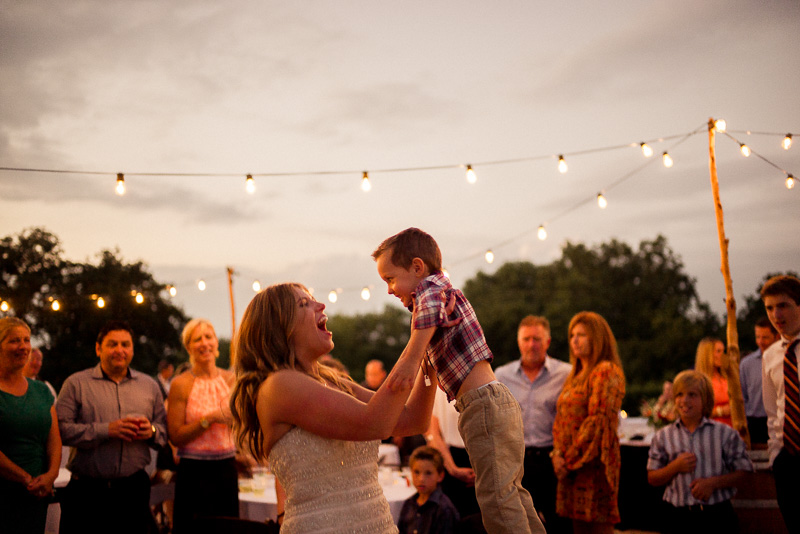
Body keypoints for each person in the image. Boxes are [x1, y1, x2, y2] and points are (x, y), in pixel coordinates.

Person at [229, 282, 448, 534]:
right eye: (304, 304)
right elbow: (374, 422)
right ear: (279, 328)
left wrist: (429, 356)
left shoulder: (332, 380)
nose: (321, 305)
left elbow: (412, 421)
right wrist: (420, 335)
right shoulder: (279, 385)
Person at [373, 227, 545, 534]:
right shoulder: (441, 295)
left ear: (417, 267)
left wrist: (406, 365)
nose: (388, 289)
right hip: (494, 402)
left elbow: (421, 330)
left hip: (481, 405)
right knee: (513, 494)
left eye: (390, 278)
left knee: (496, 501)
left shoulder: (431, 291)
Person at [56, 319, 168, 534]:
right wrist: (107, 430)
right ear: (98, 348)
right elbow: (61, 430)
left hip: (133, 491)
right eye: (112, 344)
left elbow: (163, 431)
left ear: (132, 349)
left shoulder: (149, 386)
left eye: (125, 344)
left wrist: (151, 431)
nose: (120, 350)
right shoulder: (76, 383)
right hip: (87, 493)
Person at [647, 370, 753, 534]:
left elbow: (745, 473)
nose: (684, 400)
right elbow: (652, 478)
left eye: (692, 395)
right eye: (679, 394)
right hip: (677, 517)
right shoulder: (663, 436)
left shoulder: (724, 434)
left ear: (706, 399)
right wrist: (674, 467)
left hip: (717, 516)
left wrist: (712, 483)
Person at [495, 315, 572, 534]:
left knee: (559, 523)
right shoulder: (502, 375)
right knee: (518, 524)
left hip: (553, 462)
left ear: (547, 342)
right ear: (518, 342)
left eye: (537, 339)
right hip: (515, 463)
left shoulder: (566, 374)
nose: (532, 344)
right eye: (526, 339)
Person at [551, 311, 625, 534]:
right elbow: (561, 420)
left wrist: (568, 460)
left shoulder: (605, 371)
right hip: (570, 468)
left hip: (593, 466)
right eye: (572, 334)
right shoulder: (575, 374)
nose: (574, 339)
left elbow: (597, 425)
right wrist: (556, 455)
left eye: (581, 334)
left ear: (597, 338)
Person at [167, 319, 238, 533]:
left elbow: (241, 422)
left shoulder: (231, 379)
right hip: (193, 471)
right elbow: (176, 436)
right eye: (197, 339)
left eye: (209, 337)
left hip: (226, 467)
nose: (204, 343)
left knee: (228, 528)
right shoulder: (181, 383)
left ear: (217, 343)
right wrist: (210, 419)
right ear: (189, 347)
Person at [0, 318, 61, 534]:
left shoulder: (42, 391)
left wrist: (51, 476)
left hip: (38, 494)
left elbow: (54, 440)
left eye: (26, 340)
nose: (24, 346)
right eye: (15, 341)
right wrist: (27, 480)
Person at [760, 274, 800, 532]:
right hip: (789, 459)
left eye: (783, 305)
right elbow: (772, 411)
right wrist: (776, 456)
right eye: (769, 308)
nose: (776, 314)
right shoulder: (772, 355)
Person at [426, 387, 480, 520]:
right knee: (452, 517)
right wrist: (452, 468)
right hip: (450, 457)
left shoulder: (485, 385)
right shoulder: (439, 391)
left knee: (479, 520)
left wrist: (482, 471)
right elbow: (433, 433)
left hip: (481, 459)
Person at [397, 446, 460, 534]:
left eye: (428, 473)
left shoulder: (444, 509)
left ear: (440, 476)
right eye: (416, 472)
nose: (421, 479)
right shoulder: (409, 503)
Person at [740, 318, 779, 445]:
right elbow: (743, 395)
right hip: (754, 422)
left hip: (779, 421)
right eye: (758, 337)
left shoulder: (784, 361)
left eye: (765, 337)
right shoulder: (746, 364)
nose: (760, 342)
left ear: (776, 336)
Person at [694, 337, 733, 426]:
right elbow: (695, 413)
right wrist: (720, 411)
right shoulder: (698, 381)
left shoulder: (726, 378)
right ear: (707, 355)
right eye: (718, 351)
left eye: (724, 351)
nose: (723, 355)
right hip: (711, 430)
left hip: (731, 430)